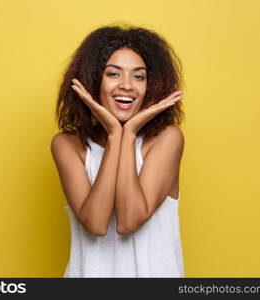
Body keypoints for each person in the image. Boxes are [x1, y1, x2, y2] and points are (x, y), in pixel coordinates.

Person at [51, 24, 185, 277]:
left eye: (139, 76)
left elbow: (128, 221)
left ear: (152, 84)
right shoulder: (67, 145)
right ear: (93, 80)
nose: (127, 86)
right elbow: (96, 223)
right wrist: (116, 135)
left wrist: (130, 132)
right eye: (113, 74)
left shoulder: (167, 139)